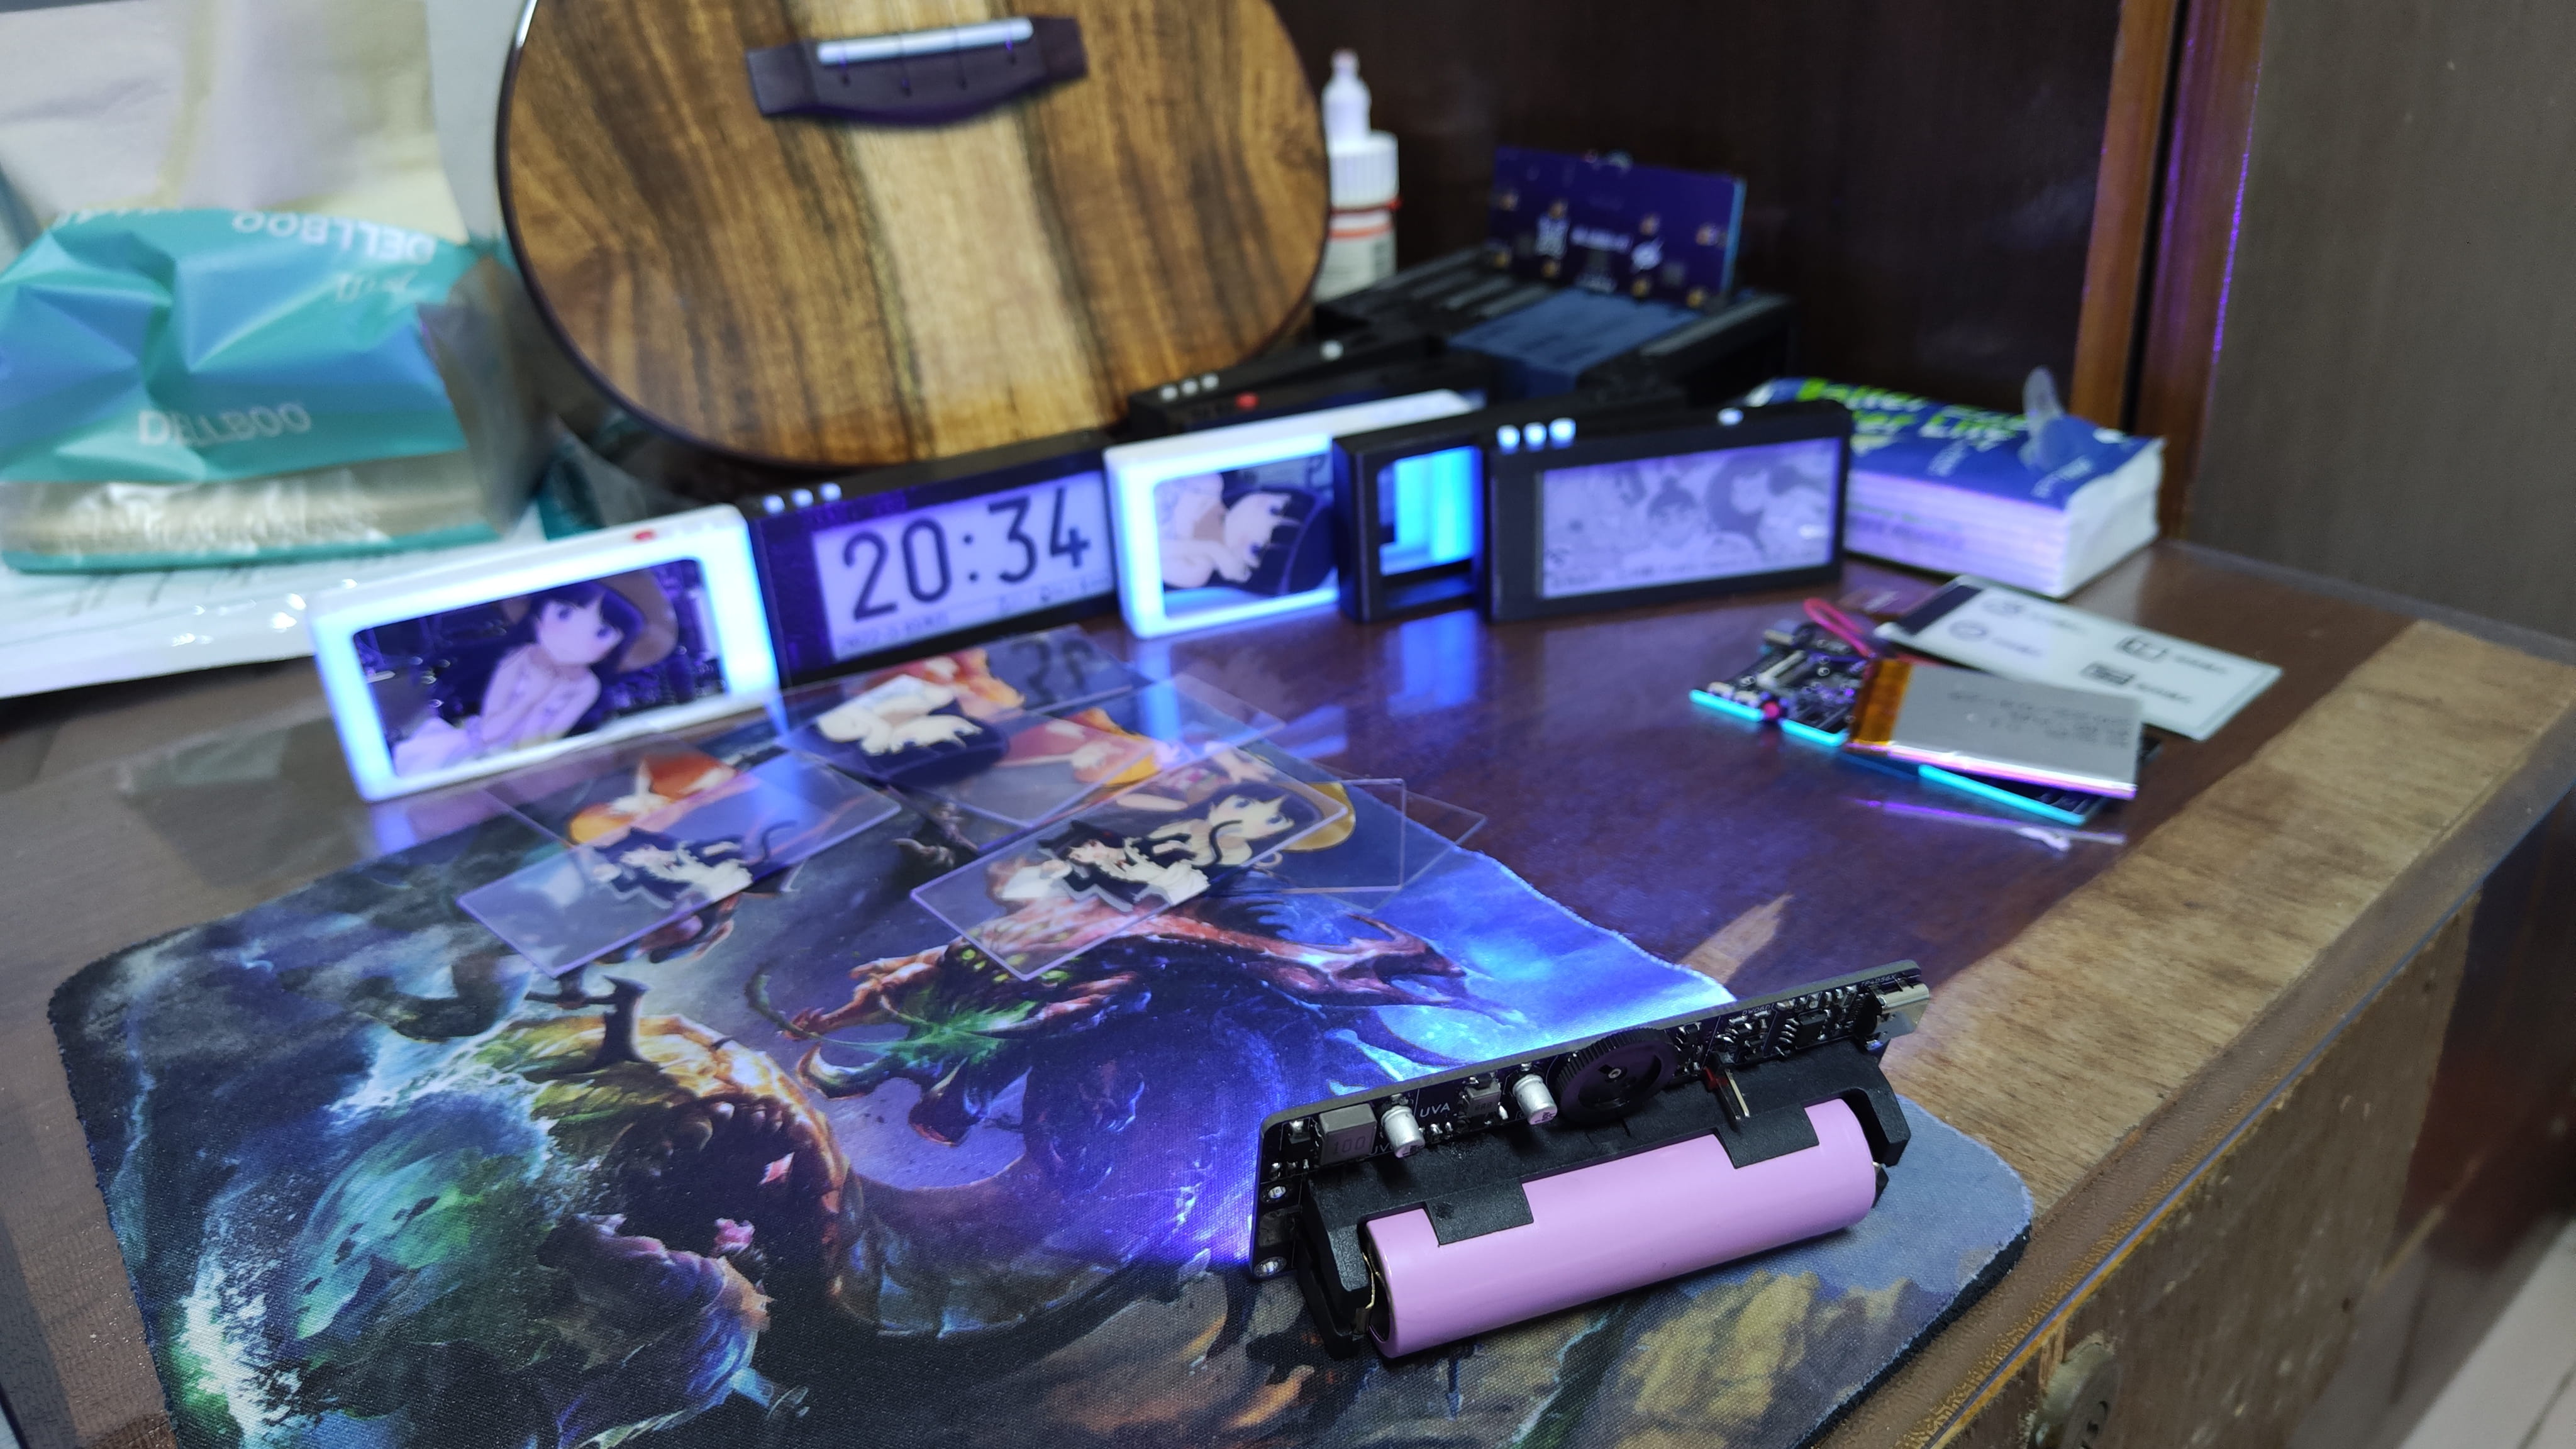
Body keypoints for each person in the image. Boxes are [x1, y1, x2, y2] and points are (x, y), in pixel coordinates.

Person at [391, 581, 647, 775]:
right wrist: (532, 697)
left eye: (602, 632)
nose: (574, 638)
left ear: (613, 649)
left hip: (532, 768)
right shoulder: (520, 658)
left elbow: (537, 745)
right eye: (564, 615)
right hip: (475, 753)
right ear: (539, 616)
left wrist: (543, 699)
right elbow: (490, 733)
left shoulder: (586, 686)